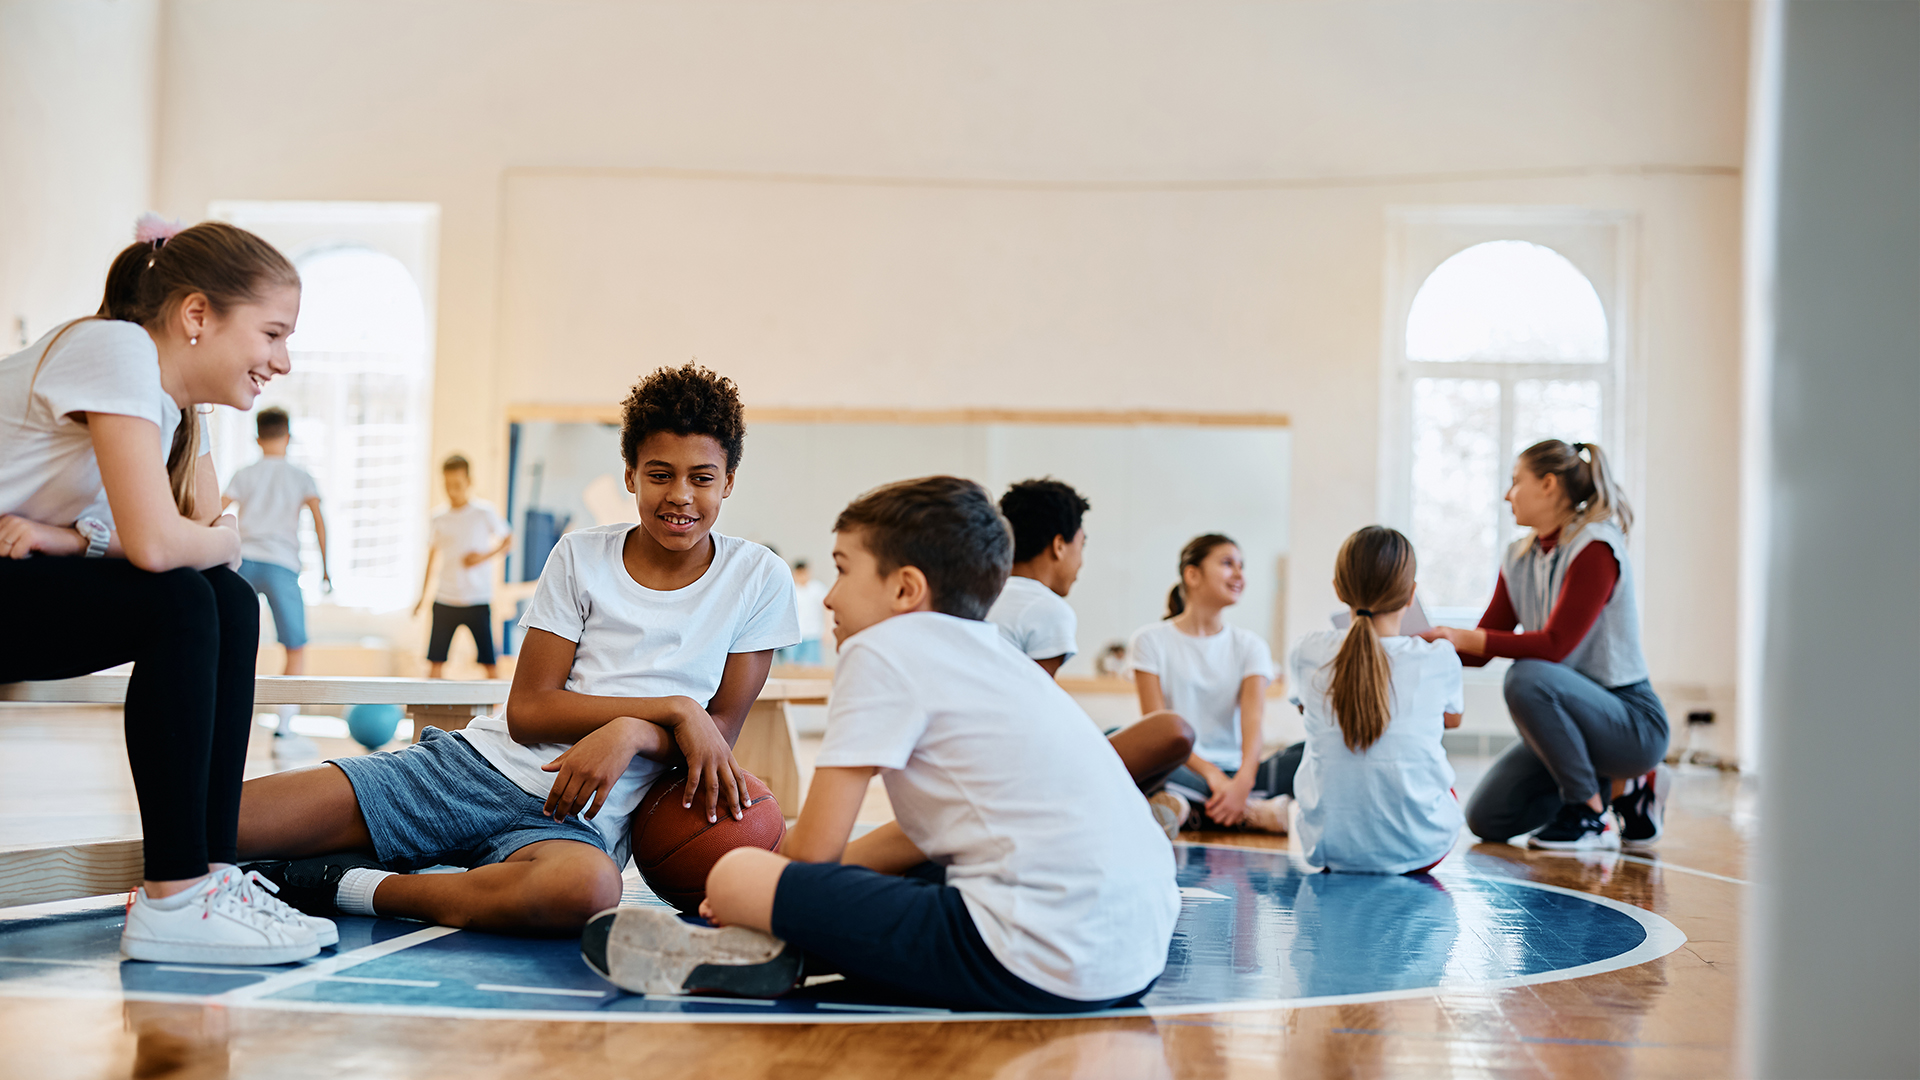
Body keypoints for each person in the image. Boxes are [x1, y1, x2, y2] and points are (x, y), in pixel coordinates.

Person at [236, 363, 798, 935]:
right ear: (630, 474)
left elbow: (717, 736)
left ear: (729, 480)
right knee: (217, 823)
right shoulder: (580, 555)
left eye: (702, 478)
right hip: (473, 770)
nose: (680, 495)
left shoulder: (758, 578)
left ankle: (351, 884)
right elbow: (530, 713)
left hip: (574, 825)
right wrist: (669, 710)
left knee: (588, 890)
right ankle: (435, 864)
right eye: (660, 474)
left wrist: (629, 734)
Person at [581, 476, 1179, 1012]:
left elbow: (813, 852)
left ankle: (749, 946)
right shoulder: (998, 657)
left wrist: (754, 892)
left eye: (843, 569)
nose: (832, 597)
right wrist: (798, 896)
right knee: (893, 870)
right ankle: (773, 952)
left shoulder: (884, 649)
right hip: (1132, 956)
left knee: (737, 872)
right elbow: (916, 836)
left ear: (905, 590)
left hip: (1040, 959)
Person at [0, 215, 328, 964]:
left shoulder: (166, 404)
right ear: (195, 315)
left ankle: (209, 875)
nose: (282, 360)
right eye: (272, 334)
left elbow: (190, 541)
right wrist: (226, 539)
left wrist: (91, 537)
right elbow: (166, 543)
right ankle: (176, 893)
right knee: (186, 595)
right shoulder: (113, 348)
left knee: (225, 599)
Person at [1422, 440, 1670, 852]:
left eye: (1516, 482)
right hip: (1568, 725)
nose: (1507, 495)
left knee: (1526, 675)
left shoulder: (1595, 547)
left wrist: (1460, 634)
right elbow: (1480, 651)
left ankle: (1589, 811)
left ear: (1549, 484)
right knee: (1487, 818)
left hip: (1631, 723)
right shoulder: (1518, 557)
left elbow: (1555, 646)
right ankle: (1626, 789)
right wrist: (1411, 645)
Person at [986, 478, 1195, 838]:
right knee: (1174, 732)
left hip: (983, 761)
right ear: (1058, 546)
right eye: (1082, 545)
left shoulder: (982, 593)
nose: (1081, 561)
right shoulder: (1046, 607)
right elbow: (1033, 715)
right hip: (1013, 778)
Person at [1289, 526, 1464, 874]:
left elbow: (1304, 707)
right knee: (1444, 785)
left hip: (1327, 846)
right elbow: (1452, 719)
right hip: (1420, 848)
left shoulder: (1307, 651)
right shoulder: (1439, 657)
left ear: (1338, 589)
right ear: (1411, 594)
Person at [1130, 534, 1293, 833]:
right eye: (1228, 564)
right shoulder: (1149, 641)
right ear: (1192, 574)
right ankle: (1251, 813)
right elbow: (1155, 730)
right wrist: (1213, 776)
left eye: (1242, 566)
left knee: (1306, 755)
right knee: (1118, 743)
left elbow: (1253, 723)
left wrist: (1242, 782)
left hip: (1237, 772)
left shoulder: (1251, 646)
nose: (1240, 575)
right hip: (1180, 768)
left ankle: (1186, 807)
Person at [222, 406, 329, 762]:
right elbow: (317, 520)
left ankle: (228, 715)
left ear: (257, 437)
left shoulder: (244, 473)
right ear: (288, 437)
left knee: (234, 646)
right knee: (295, 647)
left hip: (244, 563)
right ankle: (284, 726)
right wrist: (327, 569)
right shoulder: (300, 476)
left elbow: (215, 510)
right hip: (282, 565)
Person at [414, 455, 511, 678]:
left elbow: (508, 539)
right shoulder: (438, 518)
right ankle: (431, 710)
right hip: (445, 599)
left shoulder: (484, 513)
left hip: (477, 599)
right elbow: (431, 560)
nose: (452, 491)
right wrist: (422, 598)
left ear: (469, 482)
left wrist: (484, 556)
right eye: (447, 485)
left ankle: (499, 713)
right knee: (435, 664)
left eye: (457, 485)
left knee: (489, 664)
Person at [780, 559, 829, 666]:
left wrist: (827, 630)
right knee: (792, 665)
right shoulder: (791, 589)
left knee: (813, 665)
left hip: (813, 633)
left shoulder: (817, 588)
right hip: (794, 634)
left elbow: (827, 609)